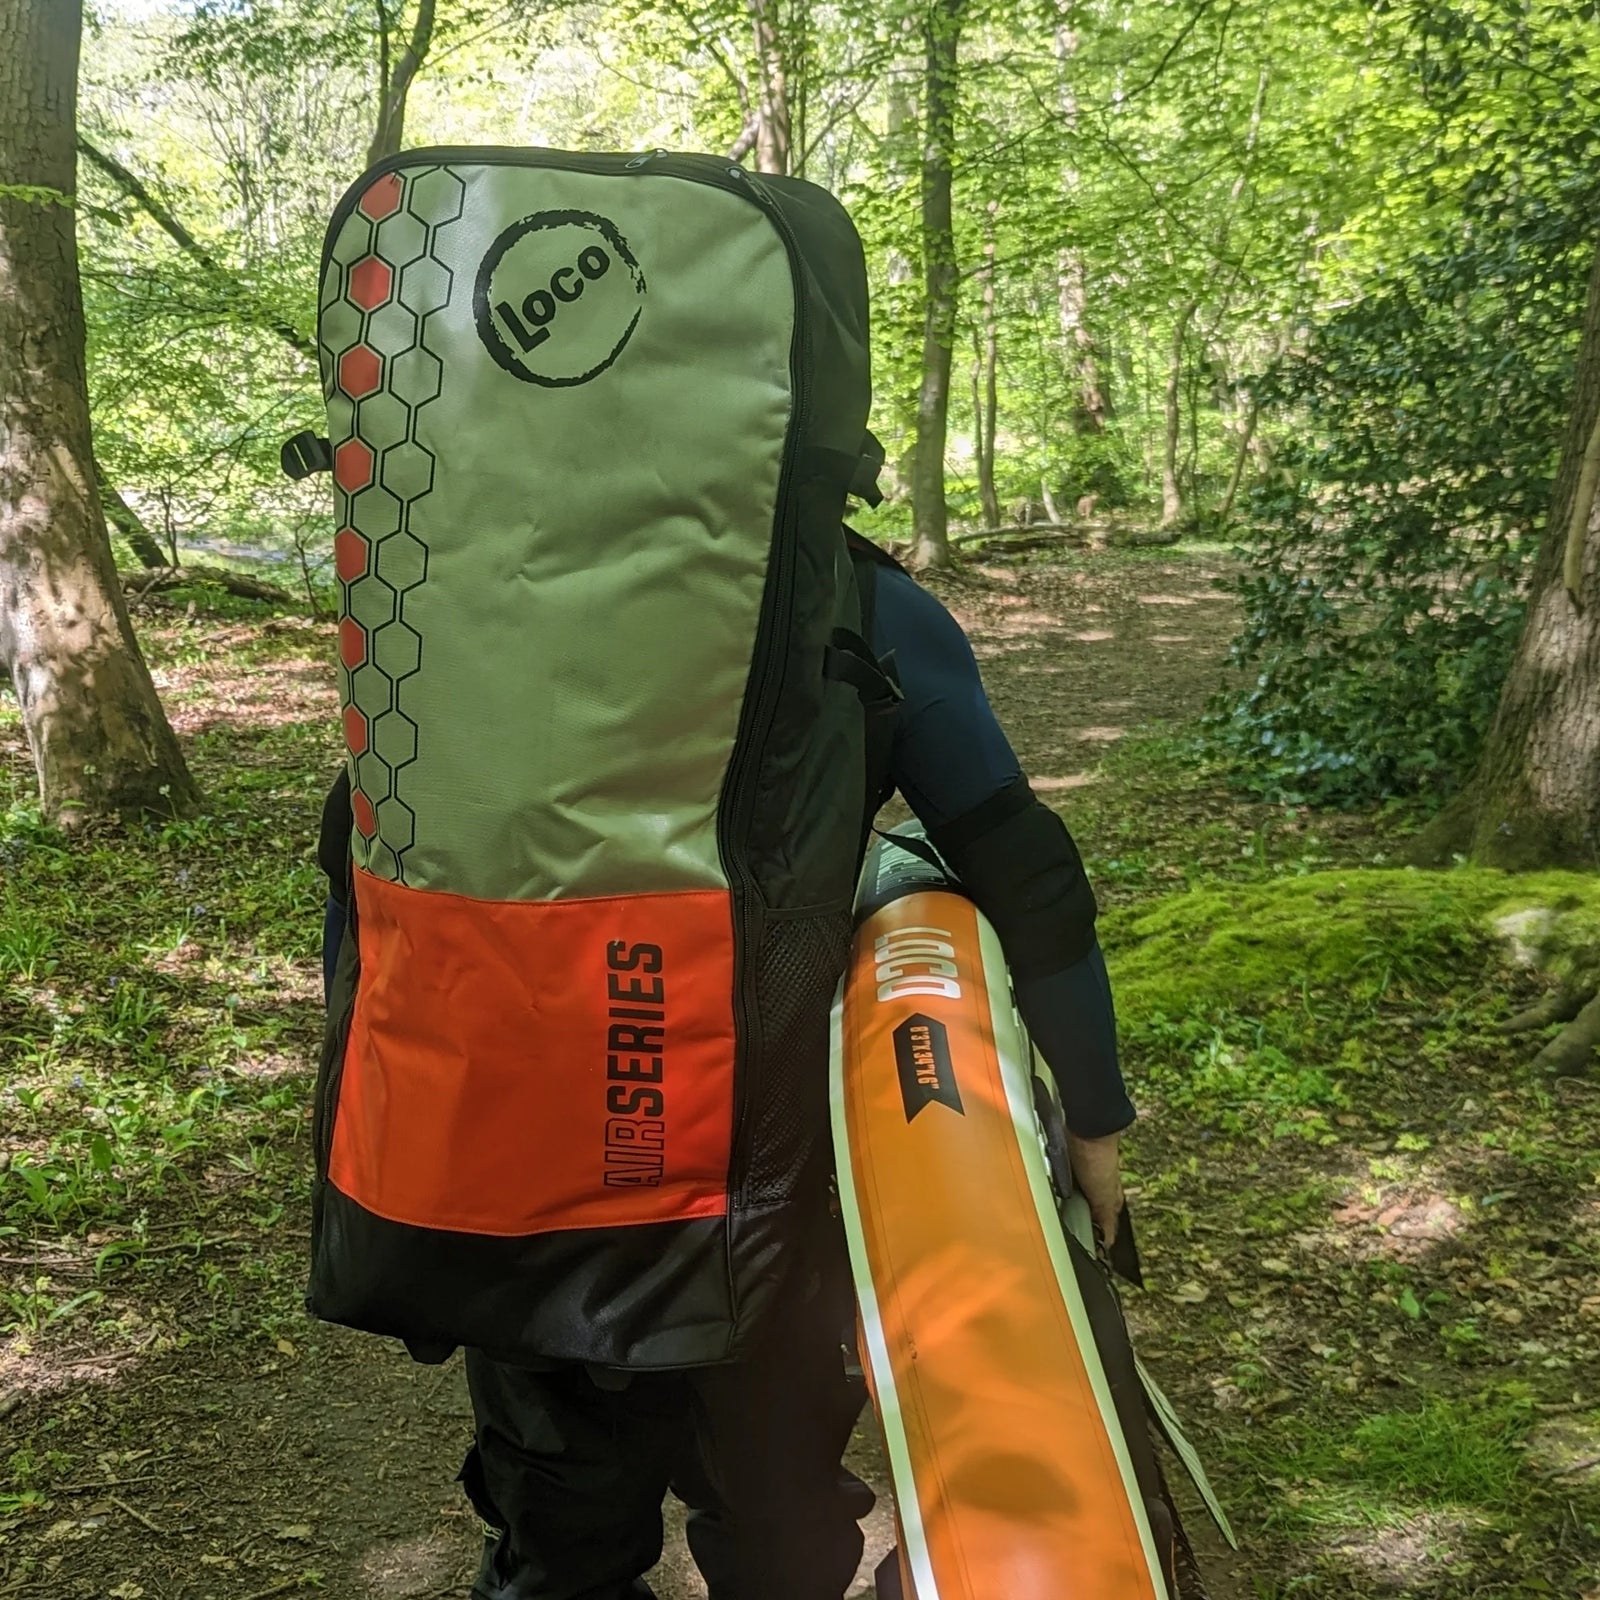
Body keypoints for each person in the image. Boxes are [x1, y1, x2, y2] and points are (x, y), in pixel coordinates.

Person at [317, 526, 1134, 1600]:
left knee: (558, 1532)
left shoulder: (469, 576)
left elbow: (364, 867)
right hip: (760, 1189)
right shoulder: (856, 601)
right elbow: (1023, 868)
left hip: (521, 1177)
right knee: (777, 1513)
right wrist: (1090, 1114)